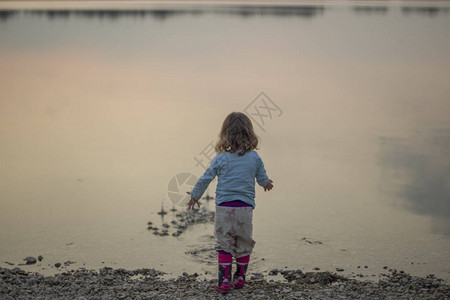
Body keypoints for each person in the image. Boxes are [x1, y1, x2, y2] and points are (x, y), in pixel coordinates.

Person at [188, 112, 273, 294]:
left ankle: (224, 281)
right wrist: (267, 184)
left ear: (225, 134)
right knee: (244, 243)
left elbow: (206, 178)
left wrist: (195, 195)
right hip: (245, 210)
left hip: (224, 210)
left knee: (224, 244)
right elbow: (262, 177)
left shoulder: (221, 158)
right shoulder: (254, 158)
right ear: (249, 133)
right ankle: (240, 279)